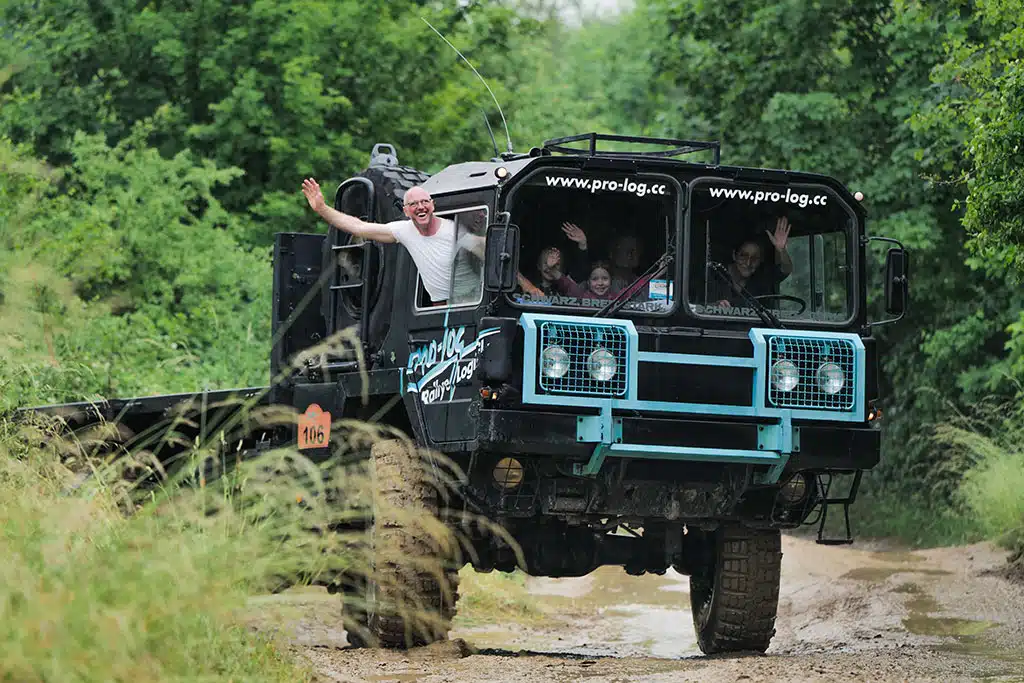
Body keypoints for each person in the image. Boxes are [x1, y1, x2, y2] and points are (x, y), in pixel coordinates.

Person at [708, 216, 794, 308]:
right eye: (743, 256)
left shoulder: (761, 279)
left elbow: (785, 270)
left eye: (755, 258)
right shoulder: (714, 274)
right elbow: (695, 307)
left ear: (760, 260)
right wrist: (714, 307)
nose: (748, 263)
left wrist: (781, 250)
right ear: (734, 255)